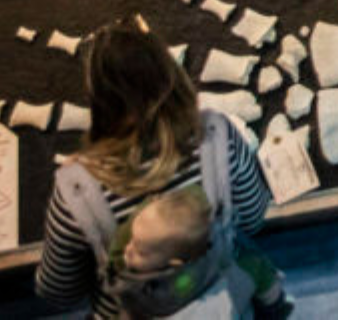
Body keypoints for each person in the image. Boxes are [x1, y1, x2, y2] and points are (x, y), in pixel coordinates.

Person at [37, 22, 290, 319]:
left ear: (100, 99)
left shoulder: (76, 189)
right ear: (168, 74)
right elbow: (252, 216)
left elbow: (58, 291)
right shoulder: (217, 135)